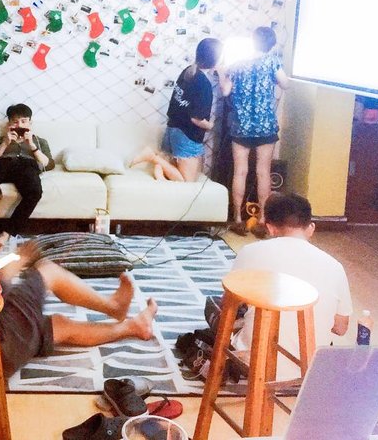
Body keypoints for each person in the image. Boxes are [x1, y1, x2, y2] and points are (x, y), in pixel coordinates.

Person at [0, 169, 158, 376]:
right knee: (47, 270)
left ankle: (134, 326)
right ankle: (114, 307)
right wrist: (16, 265)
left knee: (59, 325)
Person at [229, 192, 352, 379]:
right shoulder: (335, 266)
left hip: (254, 364)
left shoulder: (250, 252)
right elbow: (341, 329)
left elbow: (230, 306)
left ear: (270, 228)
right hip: (310, 368)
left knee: (219, 311)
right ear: (311, 228)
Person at [220, 26, 289, 237]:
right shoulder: (272, 62)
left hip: (241, 125)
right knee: (263, 172)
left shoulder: (238, 64)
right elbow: (285, 84)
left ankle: (237, 219)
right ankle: (262, 220)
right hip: (265, 125)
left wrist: (222, 73)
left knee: (240, 171)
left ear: (253, 41)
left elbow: (225, 91)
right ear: (272, 44)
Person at [130, 37, 223, 182]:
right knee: (186, 181)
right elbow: (196, 119)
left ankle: (159, 173)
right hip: (186, 136)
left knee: (174, 172)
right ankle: (152, 156)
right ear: (215, 60)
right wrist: (211, 125)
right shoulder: (203, 84)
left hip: (172, 129)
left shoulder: (188, 71)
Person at [0, 103, 54, 233]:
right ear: (9, 124)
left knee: (34, 192)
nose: (20, 125)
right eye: (15, 122)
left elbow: (48, 164)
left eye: (24, 121)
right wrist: (4, 144)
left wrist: (32, 146)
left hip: (27, 166)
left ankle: (7, 233)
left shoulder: (39, 141)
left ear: (30, 123)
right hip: (3, 164)